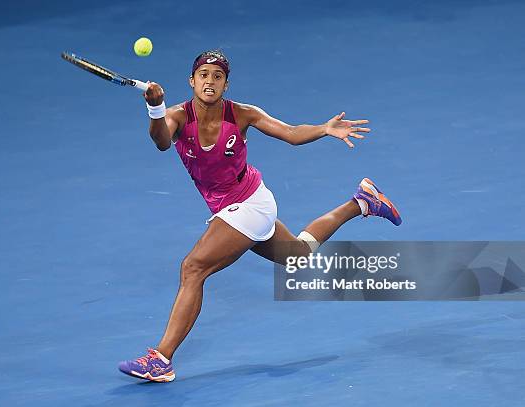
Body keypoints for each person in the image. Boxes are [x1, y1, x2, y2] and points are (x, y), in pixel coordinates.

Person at [118, 50, 401, 382]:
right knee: (298, 254)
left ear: (225, 84)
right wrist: (154, 108)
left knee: (193, 268)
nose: (210, 81)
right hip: (235, 207)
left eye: (217, 76)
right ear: (192, 81)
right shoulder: (177, 116)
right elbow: (162, 142)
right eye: (204, 75)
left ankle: (161, 359)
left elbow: (291, 133)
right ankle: (362, 202)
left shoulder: (242, 114)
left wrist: (325, 129)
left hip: (250, 204)